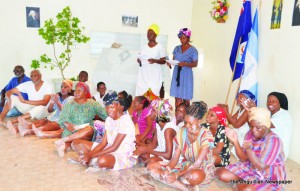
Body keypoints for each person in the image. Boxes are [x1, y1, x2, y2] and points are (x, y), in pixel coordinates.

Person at [147, 101, 215, 191]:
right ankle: (185, 188)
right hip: (185, 165)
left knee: (195, 176)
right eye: (186, 122)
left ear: (199, 121)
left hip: (200, 169)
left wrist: (176, 175)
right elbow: (175, 158)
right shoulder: (182, 132)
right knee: (151, 167)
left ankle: (177, 179)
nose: (187, 126)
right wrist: (168, 168)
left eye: (191, 124)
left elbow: (197, 164)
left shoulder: (206, 135)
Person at [217, 107, 286, 191]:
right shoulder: (250, 133)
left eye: (258, 127)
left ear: (266, 126)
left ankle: (242, 183)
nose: (253, 130)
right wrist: (235, 141)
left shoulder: (273, 140)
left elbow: (261, 166)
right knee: (221, 174)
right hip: (251, 167)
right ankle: (243, 182)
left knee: (246, 189)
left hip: (268, 176)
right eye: (251, 126)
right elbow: (244, 159)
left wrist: (249, 150)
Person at [78, 91, 136, 171]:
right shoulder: (109, 119)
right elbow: (103, 143)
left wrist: (90, 155)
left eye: (112, 107)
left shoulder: (125, 121)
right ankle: (90, 159)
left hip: (122, 153)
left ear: (118, 105)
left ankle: (91, 159)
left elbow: (114, 147)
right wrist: (90, 154)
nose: (109, 110)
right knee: (77, 143)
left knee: (102, 160)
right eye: (107, 107)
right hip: (109, 148)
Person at [54, 82, 107, 157]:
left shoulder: (93, 104)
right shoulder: (70, 103)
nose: (76, 93)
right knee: (75, 141)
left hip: (86, 131)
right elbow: (62, 116)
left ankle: (64, 141)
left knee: (89, 129)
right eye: (75, 90)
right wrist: (67, 124)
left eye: (79, 90)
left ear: (85, 92)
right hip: (71, 129)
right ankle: (64, 147)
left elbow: (105, 115)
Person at [133, 99, 177, 165]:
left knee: (150, 161)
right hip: (160, 153)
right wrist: (139, 144)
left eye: (152, 110)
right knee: (141, 155)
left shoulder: (168, 130)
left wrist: (146, 149)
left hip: (171, 158)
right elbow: (153, 145)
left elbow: (168, 155)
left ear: (158, 113)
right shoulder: (158, 125)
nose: (149, 113)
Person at [218, 90, 256, 159]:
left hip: (245, 137)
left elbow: (236, 124)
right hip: (239, 133)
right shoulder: (240, 109)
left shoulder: (247, 111)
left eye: (241, 97)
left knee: (225, 131)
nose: (238, 99)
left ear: (248, 100)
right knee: (222, 129)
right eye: (238, 97)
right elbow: (231, 121)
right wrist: (227, 110)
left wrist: (226, 112)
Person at [168, 28, 198, 107]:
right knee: (177, 97)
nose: (182, 40)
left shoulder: (193, 50)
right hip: (177, 73)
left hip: (186, 74)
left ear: (188, 38)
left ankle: (186, 117)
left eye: (184, 38)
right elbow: (174, 60)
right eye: (180, 38)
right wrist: (170, 63)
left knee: (186, 97)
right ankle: (177, 116)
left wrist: (185, 64)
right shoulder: (177, 48)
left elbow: (195, 64)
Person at [135, 24, 167, 97]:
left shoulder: (160, 47)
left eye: (151, 34)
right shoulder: (144, 46)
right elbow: (140, 57)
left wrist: (154, 61)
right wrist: (139, 60)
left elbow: (164, 61)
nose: (149, 35)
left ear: (155, 35)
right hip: (143, 75)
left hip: (154, 75)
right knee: (142, 97)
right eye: (148, 34)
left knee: (153, 95)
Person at [267, 92, 292, 160]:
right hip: (271, 147)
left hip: (278, 153)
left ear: (280, 103)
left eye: (273, 101)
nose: (270, 103)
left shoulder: (283, 115)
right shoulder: (271, 113)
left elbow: (264, 125)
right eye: (268, 101)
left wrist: (252, 109)